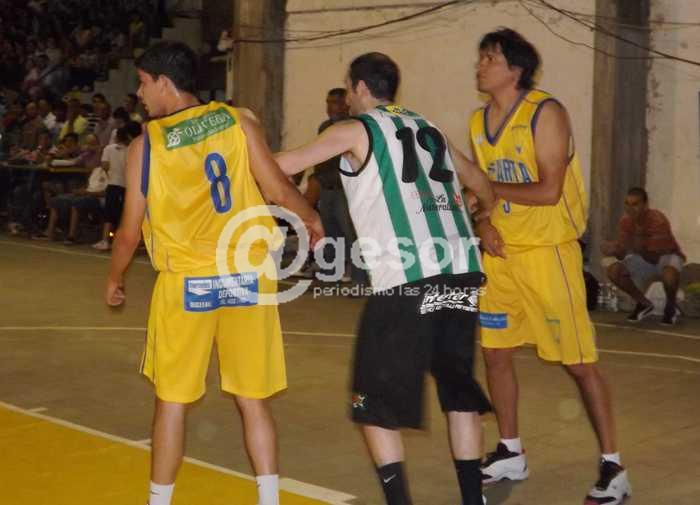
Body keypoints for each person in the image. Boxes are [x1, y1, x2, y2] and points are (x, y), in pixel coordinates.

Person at [104, 41, 322, 505]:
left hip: (188, 282)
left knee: (172, 403)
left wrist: (115, 277)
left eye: (143, 83)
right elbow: (278, 189)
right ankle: (269, 500)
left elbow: (128, 232)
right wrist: (311, 218)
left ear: (165, 82)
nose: (139, 94)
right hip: (248, 275)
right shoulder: (237, 120)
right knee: (253, 399)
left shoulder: (147, 146)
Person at [276, 52, 495, 505]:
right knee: (458, 391)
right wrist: (479, 213)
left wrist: (236, 153)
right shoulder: (429, 128)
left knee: (370, 402)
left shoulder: (356, 129)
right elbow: (480, 181)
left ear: (360, 88)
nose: (347, 97)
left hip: (408, 278)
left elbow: (285, 164)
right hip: (460, 274)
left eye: (348, 89)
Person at [469, 29, 631, 505]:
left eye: (490, 58)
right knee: (495, 353)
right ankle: (510, 451)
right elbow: (480, 191)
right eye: (480, 58)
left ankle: (614, 466)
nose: (480, 65)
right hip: (501, 255)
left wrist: (488, 193)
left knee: (579, 364)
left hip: (547, 253)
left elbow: (548, 190)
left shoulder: (546, 113)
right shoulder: (478, 122)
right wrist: (483, 221)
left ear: (515, 69)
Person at [602, 187, 685, 324]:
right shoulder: (625, 221)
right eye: (627, 204)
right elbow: (622, 255)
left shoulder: (658, 220)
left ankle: (670, 306)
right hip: (643, 256)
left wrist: (635, 246)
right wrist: (614, 250)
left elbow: (654, 257)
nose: (630, 208)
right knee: (613, 270)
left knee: (669, 274)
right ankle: (643, 303)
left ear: (645, 205)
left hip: (665, 255)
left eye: (635, 204)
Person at [312, 87, 365, 285]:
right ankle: (331, 273)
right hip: (327, 189)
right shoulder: (325, 127)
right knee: (330, 234)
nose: (330, 107)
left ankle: (360, 280)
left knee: (352, 235)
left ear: (346, 105)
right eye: (328, 103)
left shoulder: (354, 127)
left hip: (346, 191)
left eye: (335, 103)